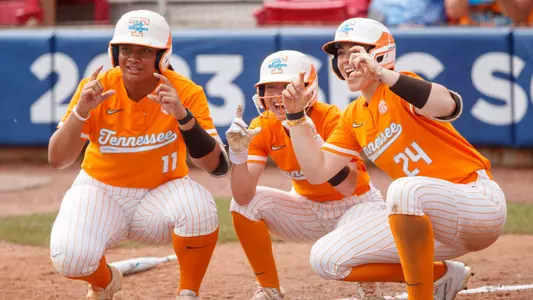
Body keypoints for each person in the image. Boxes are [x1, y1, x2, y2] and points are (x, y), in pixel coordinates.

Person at [282, 18, 507, 300]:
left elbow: (448, 104)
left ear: (379, 54)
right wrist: (295, 118)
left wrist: (383, 74)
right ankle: (441, 276)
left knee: (403, 189)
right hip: (430, 229)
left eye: (355, 51)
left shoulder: (400, 86)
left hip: (478, 204)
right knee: (326, 258)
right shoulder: (353, 115)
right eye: (340, 53)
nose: (345, 60)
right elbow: (317, 173)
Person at [47, 10, 230, 300]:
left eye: (145, 50)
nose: (133, 57)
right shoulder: (96, 88)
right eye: (126, 49)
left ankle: (188, 293)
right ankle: (106, 281)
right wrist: (81, 112)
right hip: (100, 193)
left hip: (161, 196)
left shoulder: (184, 91)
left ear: (162, 56)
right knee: (70, 257)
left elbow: (217, 167)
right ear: (114, 53)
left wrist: (184, 117)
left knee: (199, 207)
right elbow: (58, 160)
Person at [225, 50, 387, 300]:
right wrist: (238, 155)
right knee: (243, 206)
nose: (278, 95)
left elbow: (348, 186)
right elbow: (243, 196)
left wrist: (305, 133)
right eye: (271, 87)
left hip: (356, 206)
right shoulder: (262, 125)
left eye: (287, 86)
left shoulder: (333, 118)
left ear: (308, 88)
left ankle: (430, 273)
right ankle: (269, 289)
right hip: (307, 207)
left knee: (338, 258)